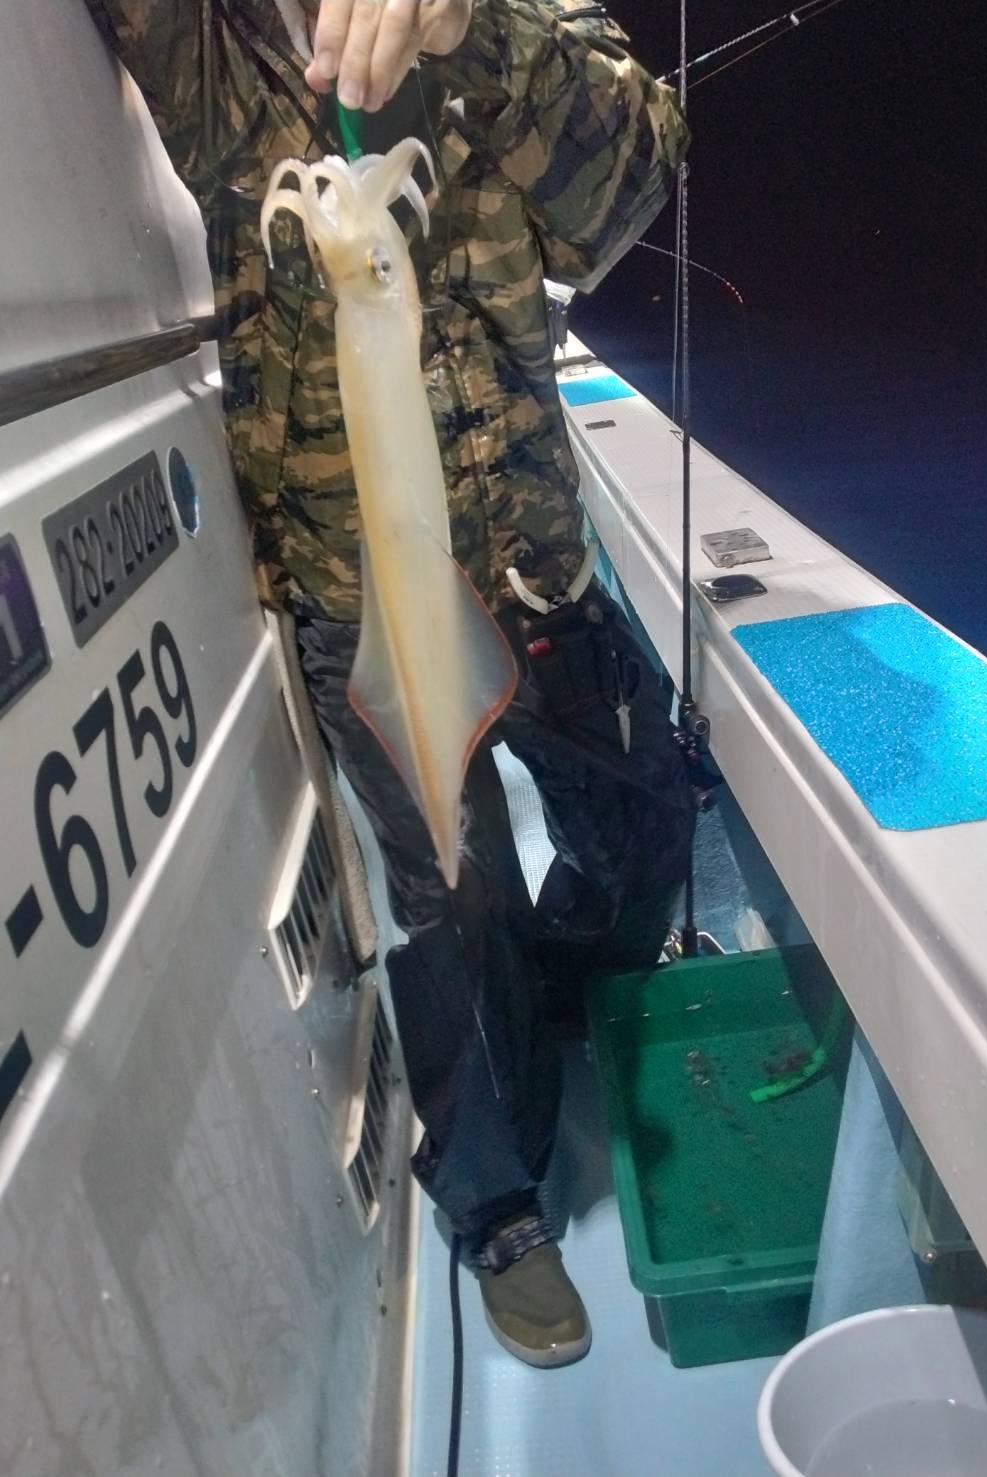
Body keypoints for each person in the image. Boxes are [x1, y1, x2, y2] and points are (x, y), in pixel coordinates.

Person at [86, 0, 692, 1367]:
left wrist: (474, 27)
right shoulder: (216, 48)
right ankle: (498, 1206)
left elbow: (631, 185)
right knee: (449, 902)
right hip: (357, 594)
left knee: (648, 815)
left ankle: (572, 979)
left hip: (535, 559)